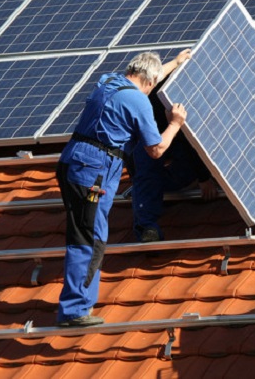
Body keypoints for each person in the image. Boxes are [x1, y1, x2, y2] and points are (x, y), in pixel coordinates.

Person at [55, 49, 191, 327]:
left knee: (83, 232)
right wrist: (175, 124)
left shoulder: (108, 82)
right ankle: (75, 310)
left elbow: (149, 76)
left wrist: (175, 63)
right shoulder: (139, 102)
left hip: (72, 162)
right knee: (89, 238)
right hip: (94, 171)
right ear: (150, 83)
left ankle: (76, 304)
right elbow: (156, 149)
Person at [127, 77, 219, 242]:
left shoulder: (182, 91)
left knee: (175, 169)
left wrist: (204, 176)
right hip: (155, 140)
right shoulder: (139, 105)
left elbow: (189, 137)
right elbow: (131, 151)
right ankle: (148, 227)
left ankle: (158, 188)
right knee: (144, 169)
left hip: (179, 139)